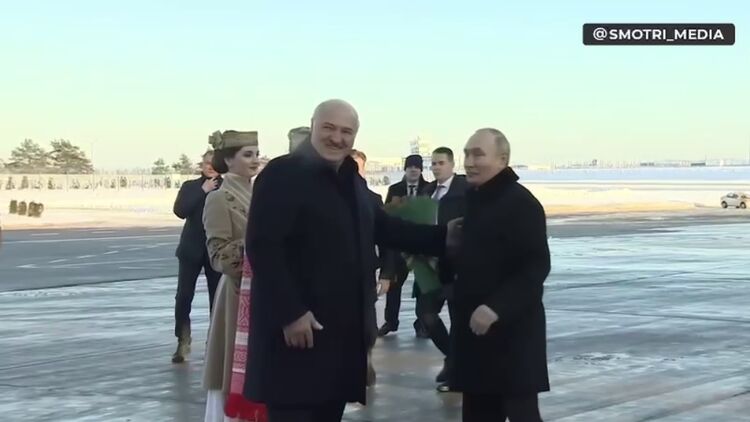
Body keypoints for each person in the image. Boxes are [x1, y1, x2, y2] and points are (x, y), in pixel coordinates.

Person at [244, 99, 459, 422]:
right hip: (298, 334)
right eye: (329, 128)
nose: (337, 138)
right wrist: (291, 313)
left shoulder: (351, 181)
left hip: (337, 339)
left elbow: (385, 228)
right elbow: (264, 247)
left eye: (346, 131)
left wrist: (445, 237)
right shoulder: (282, 173)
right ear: (313, 126)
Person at [451, 128, 550, 422]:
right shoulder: (476, 199)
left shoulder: (520, 203)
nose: (469, 162)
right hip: (476, 337)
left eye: (478, 155)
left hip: (512, 339)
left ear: (502, 159)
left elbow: (535, 267)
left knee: (522, 414)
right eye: (466, 154)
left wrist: (496, 307)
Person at [201, 130, 263, 422]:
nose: (254, 160)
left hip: (265, 294)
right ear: (228, 160)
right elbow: (219, 256)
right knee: (235, 377)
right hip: (238, 295)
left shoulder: (262, 194)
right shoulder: (218, 198)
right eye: (247, 155)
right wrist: (261, 243)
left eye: (256, 154)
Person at [419, 146, 468, 392]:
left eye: (440, 163)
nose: (436, 167)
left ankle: (458, 371)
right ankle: (453, 359)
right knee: (426, 316)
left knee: (458, 322)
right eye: (433, 164)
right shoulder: (427, 192)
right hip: (430, 268)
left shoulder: (464, 190)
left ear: (451, 164)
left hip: (455, 267)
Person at [172, 150, 223, 363]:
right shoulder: (190, 187)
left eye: (213, 163)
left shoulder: (227, 187)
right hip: (191, 250)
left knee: (217, 299)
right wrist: (203, 190)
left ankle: (214, 343)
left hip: (216, 251)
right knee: (184, 296)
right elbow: (180, 211)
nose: (209, 166)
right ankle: (183, 339)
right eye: (205, 163)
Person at [350, 149, 392, 387]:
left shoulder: (373, 199)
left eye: (358, 166)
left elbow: (387, 240)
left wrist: (386, 274)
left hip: (365, 271)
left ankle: (366, 359)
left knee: (367, 321)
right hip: (335, 274)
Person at [377, 154, 430, 338]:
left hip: (421, 244)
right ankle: (391, 322)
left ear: (421, 169)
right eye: (410, 167)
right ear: (405, 169)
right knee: (394, 284)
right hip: (399, 243)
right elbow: (386, 215)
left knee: (423, 285)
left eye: (417, 167)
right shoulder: (395, 189)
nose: (413, 170)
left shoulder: (428, 188)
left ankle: (421, 323)